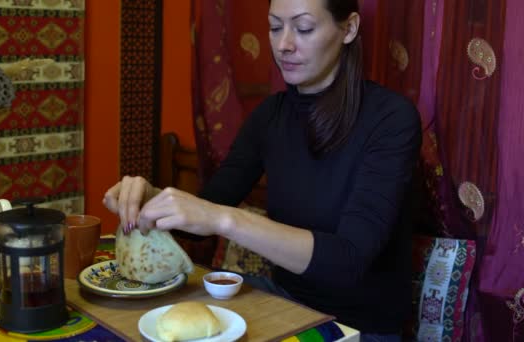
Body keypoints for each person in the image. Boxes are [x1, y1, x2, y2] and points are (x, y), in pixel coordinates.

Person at [103, 0, 421, 340]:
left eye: (303, 28)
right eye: (274, 27)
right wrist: (150, 197)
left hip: (360, 327)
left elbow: (348, 261)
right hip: (284, 304)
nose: (283, 44)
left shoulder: (390, 119)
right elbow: (203, 217)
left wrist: (224, 218)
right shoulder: (269, 116)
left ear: (349, 28)